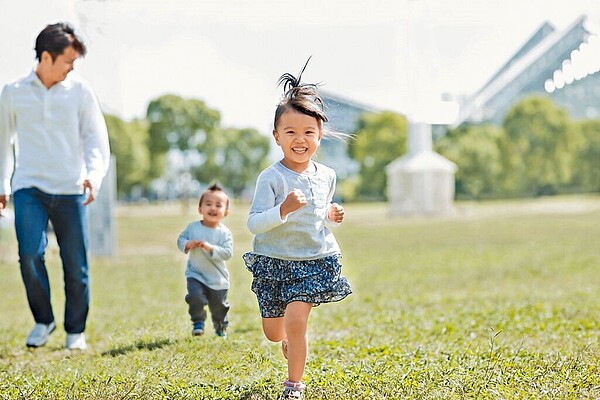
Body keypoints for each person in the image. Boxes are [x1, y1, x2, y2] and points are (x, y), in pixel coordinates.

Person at [242, 59, 352, 400]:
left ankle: (293, 386)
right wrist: (283, 210)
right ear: (277, 136)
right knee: (275, 332)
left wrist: (332, 213)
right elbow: (254, 222)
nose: (299, 139)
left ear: (320, 136)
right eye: (290, 132)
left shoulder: (328, 175)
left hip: (315, 258)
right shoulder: (271, 178)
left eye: (308, 133)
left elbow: (320, 211)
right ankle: (287, 339)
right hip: (275, 261)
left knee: (296, 317)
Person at [0, 22, 110, 350]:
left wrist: (94, 173)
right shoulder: (13, 92)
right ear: (46, 57)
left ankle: (75, 331)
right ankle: (43, 320)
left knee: (75, 264)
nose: (72, 68)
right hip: (29, 187)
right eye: (68, 61)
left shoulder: (80, 91)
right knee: (29, 255)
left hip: (70, 188)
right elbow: (3, 141)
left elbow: (94, 136)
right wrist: (2, 183)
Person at [177, 183, 233, 338]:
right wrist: (187, 244)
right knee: (195, 297)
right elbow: (181, 239)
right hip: (196, 274)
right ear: (200, 208)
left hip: (218, 279)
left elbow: (228, 253)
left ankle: (221, 327)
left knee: (219, 307)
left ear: (225, 212)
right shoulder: (193, 228)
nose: (213, 208)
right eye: (208, 204)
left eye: (218, 205)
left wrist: (210, 248)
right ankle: (198, 322)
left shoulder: (224, 233)